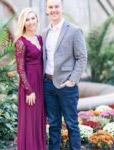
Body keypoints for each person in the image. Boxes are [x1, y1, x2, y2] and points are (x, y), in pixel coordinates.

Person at [43, 0, 87, 150]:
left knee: (72, 124)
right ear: (47, 10)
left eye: (56, 6)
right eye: (51, 7)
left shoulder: (74, 31)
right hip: (48, 85)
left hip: (66, 86)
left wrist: (72, 81)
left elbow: (81, 58)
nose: (54, 10)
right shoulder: (44, 33)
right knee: (53, 125)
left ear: (62, 8)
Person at [15, 8, 46, 150]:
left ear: (37, 20)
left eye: (33, 18)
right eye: (27, 19)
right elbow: (20, 69)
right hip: (30, 85)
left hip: (40, 82)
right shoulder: (21, 42)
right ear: (23, 22)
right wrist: (29, 90)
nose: (31, 22)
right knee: (29, 120)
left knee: (38, 119)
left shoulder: (39, 38)